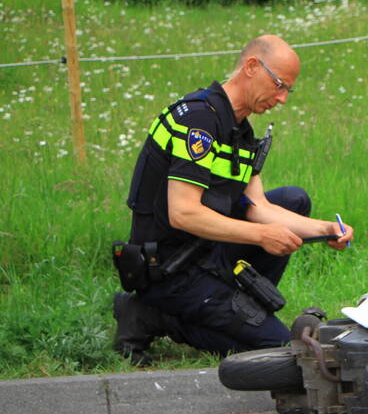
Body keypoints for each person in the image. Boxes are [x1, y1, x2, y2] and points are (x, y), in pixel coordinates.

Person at [113, 34, 354, 365]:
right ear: (252, 67)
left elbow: (259, 208)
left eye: (288, 90)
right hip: (171, 270)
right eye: (279, 85)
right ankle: (150, 316)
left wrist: (325, 229)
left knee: (294, 200)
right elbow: (182, 213)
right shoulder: (198, 121)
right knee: (279, 350)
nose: (282, 98)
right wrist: (262, 236)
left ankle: (241, 307)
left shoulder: (239, 130)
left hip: (205, 252)